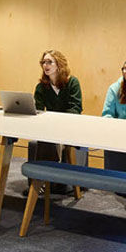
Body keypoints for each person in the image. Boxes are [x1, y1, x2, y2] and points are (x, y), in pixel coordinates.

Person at [32, 50, 83, 194]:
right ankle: (42, 179)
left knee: (48, 138)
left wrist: (57, 121)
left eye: (49, 62)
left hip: (70, 126)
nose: (45, 65)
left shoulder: (72, 83)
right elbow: (38, 110)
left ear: (59, 65)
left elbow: (76, 108)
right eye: (43, 62)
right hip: (50, 127)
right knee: (45, 137)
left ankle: (43, 180)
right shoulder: (41, 87)